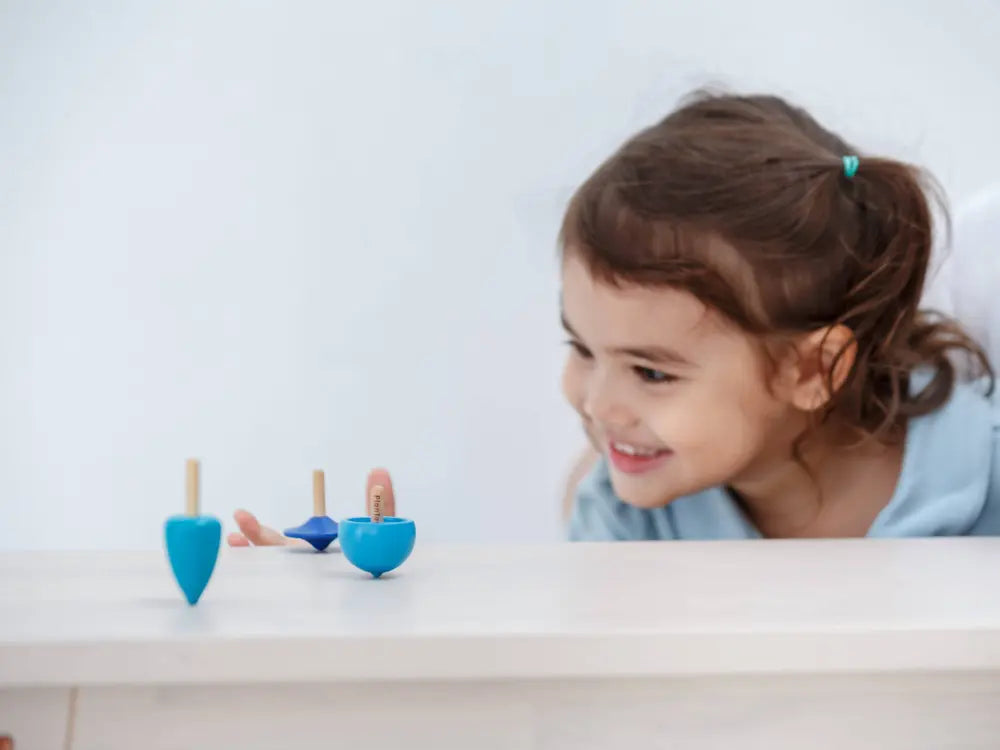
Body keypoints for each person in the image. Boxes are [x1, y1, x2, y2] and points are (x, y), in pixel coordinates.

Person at [229, 89, 1000, 547]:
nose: (596, 405)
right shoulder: (630, 517)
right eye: (582, 348)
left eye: (652, 370)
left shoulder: (981, 489)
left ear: (812, 369)